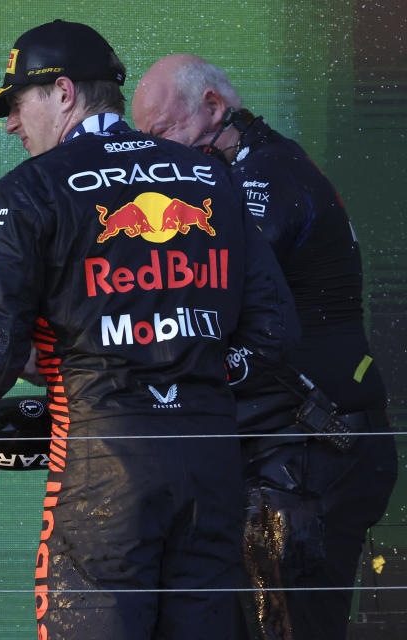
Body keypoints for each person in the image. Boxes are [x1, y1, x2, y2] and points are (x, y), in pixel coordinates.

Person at [0, 20, 297, 640]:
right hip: (211, 463)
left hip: (104, 472)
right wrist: (190, 375)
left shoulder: (27, 190)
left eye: (16, 104)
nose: (11, 124)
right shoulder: (210, 176)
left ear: (63, 93)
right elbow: (275, 333)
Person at [132, 54, 398, 640]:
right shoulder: (237, 172)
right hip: (287, 451)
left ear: (212, 107)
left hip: (313, 455)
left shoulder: (268, 176)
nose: (153, 157)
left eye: (161, 134)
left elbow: (211, 294)